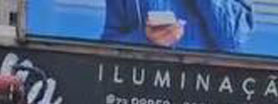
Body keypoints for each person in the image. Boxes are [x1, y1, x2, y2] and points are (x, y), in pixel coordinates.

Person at [102, 0, 254, 52]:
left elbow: (233, 41)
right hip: (144, 98)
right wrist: (144, 39)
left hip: (207, 102)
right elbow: (108, 49)